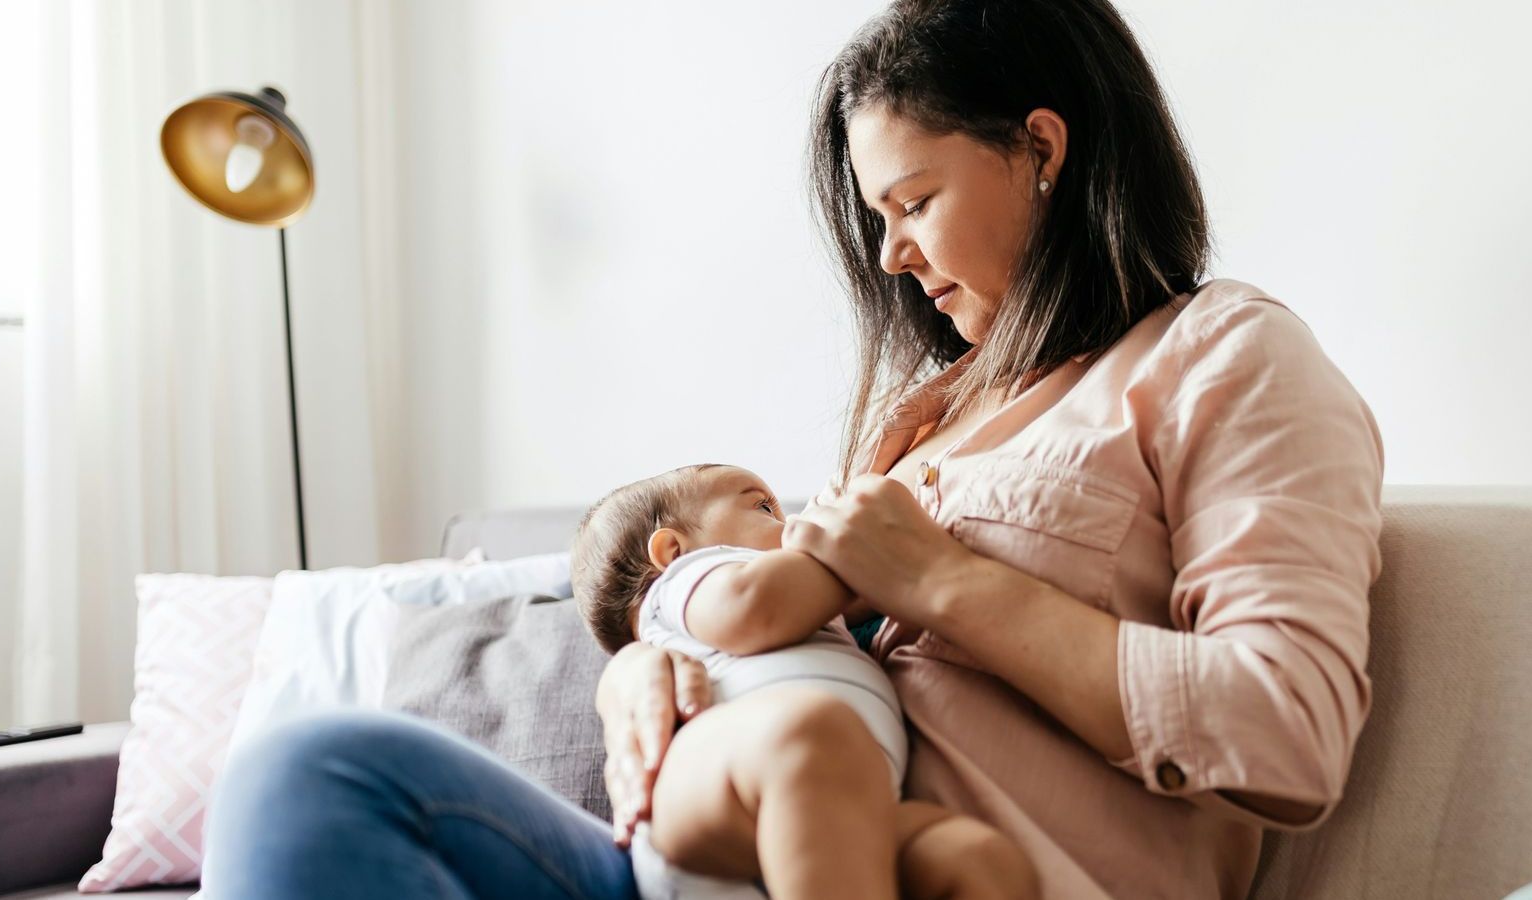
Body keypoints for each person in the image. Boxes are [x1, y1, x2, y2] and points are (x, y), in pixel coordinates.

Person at [204, 0, 1385, 897]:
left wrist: (943, 583)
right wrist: (640, 672)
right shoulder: (933, 412)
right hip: (730, 851)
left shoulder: (1225, 359)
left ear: (1041, 147)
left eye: (913, 203)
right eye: (877, 218)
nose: (890, 257)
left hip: (944, 873)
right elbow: (778, 622)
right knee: (303, 773)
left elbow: (1285, 724)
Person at [569, 462, 1035, 899]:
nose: (791, 521)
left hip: (839, 818)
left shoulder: (816, 616)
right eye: (763, 507)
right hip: (713, 788)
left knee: (975, 858)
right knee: (811, 731)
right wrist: (872, 557)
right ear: (672, 550)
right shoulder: (687, 583)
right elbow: (754, 606)